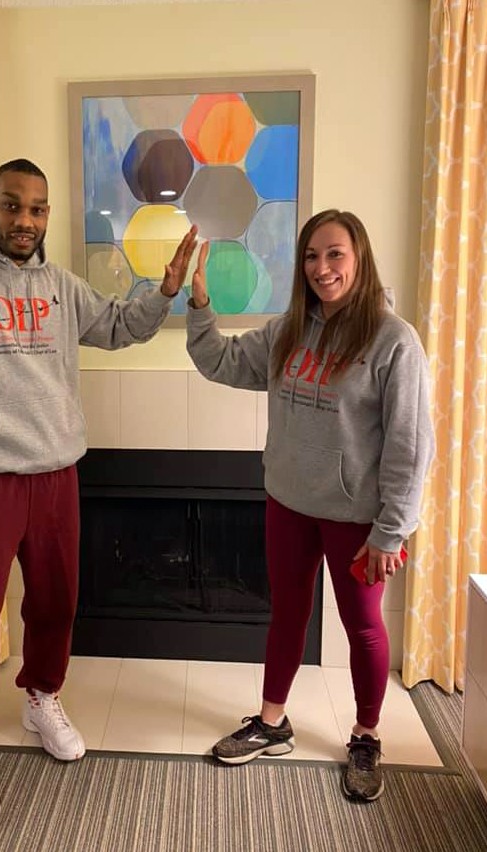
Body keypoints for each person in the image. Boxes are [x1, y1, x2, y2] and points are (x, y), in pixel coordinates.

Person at [0, 158, 198, 825]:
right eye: (13, 205)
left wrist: (163, 293)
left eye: (37, 208)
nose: (25, 219)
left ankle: (41, 697)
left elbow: (117, 326)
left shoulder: (58, 286)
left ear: (47, 214)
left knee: (56, 602)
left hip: (56, 474)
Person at [185, 209, 434, 802]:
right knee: (288, 616)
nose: (322, 268)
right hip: (289, 503)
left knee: (363, 627)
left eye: (335, 254)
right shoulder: (288, 331)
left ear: (359, 256)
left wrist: (391, 531)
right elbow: (220, 361)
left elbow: (410, 445)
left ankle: (366, 735)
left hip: (357, 519)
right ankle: (272, 723)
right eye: (311, 256)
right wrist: (199, 305)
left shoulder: (394, 341)